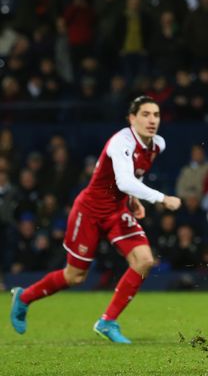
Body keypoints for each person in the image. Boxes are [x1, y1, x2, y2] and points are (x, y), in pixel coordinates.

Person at [9, 96, 182, 343]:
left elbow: (135, 177)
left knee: (144, 260)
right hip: (89, 211)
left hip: (117, 211)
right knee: (75, 276)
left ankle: (107, 321)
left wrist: (134, 199)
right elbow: (123, 180)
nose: (152, 120)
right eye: (145, 114)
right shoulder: (121, 141)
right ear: (132, 118)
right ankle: (25, 297)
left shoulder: (157, 145)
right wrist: (162, 198)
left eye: (156, 114)